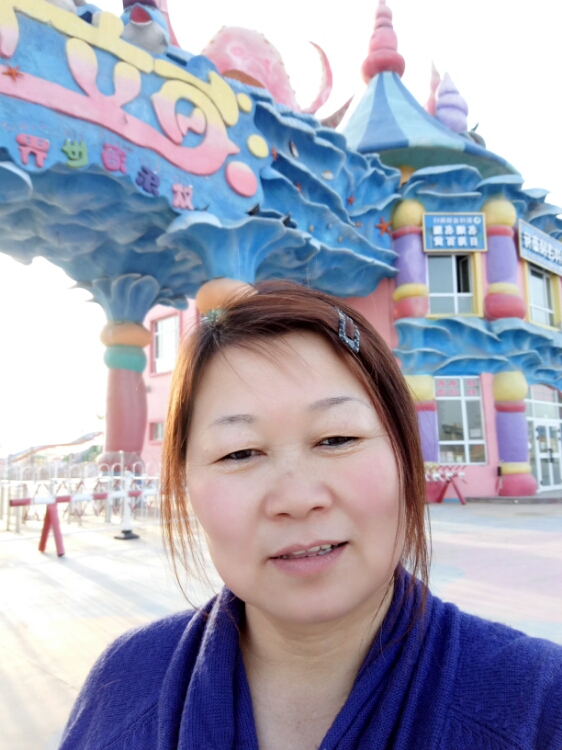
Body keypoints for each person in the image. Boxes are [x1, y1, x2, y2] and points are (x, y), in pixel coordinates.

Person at [60, 281, 562, 749]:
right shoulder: (122, 687)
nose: (297, 498)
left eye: (336, 439)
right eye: (239, 452)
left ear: (404, 456)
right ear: (186, 484)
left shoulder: (537, 701)